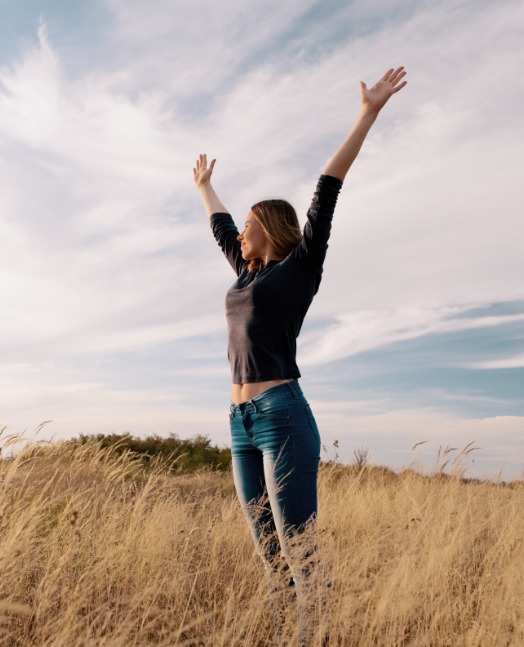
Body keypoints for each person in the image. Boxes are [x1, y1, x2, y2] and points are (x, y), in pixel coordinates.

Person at [193, 66, 407, 645]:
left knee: (298, 549)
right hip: (240, 422)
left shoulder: (299, 269)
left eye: (249, 227)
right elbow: (220, 228)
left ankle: (315, 637)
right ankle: (283, 635)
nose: (240, 235)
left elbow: (326, 191)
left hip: (282, 414)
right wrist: (205, 187)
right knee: (268, 552)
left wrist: (368, 114)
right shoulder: (245, 274)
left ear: (270, 228)